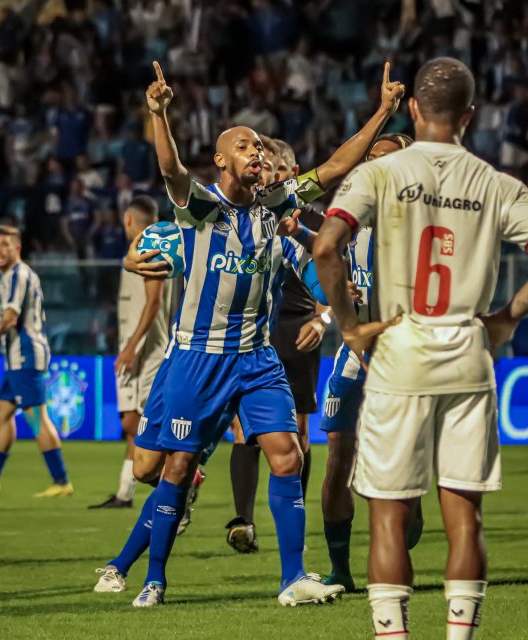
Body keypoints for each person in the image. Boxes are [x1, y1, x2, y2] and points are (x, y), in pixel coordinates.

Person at [118, 59, 403, 608]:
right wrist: (159, 115)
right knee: (153, 467)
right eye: (245, 146)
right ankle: (151, 570)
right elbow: (172, 170)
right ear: (223, 160)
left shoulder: (278, 205)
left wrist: (382, 112)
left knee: (289, 455)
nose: (257, 152)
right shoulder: (199, 208)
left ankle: (292, 577)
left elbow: (336, 165)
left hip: (256, 357)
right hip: (197, 358)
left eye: (259, 147)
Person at [314, 57, 528, 639]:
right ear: (470, 115)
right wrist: (506, 317)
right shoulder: (495, 181)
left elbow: (327, 247)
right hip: (466, 350)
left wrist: (353, 327)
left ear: (412, 110)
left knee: (389, 513)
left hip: (400, 353)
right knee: (464, 518)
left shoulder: (379, 173)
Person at [318, 132, 414, 594]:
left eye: (383, 160)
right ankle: (340, 569)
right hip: (354, 356)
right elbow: (326, 256)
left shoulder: (419, 226)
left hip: (404, 360)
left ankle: (406, 518)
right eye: (369, 159)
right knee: (337, 457)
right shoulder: (352, 222)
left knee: (404, 487)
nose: (371, 168)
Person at [225, 136, 328, 554]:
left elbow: (332, 273)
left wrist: (324, 319)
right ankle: (243, 521)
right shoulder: (249, 214)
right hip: (256, 329)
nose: (269, 177)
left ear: (290, 173)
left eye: (277, 172)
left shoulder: (311, 218)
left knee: (300, 430)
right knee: (242, 428)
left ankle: (292, 513)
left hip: (299, 327)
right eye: (266, 171)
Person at [0, 225, 73, 498]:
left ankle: (61, 481)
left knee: (37, 420)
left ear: (17, 248)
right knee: (3, 412)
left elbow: (9, 319)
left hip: (26, 356)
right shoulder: (9, 277)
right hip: (15, 359)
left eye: (5, 244)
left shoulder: (18, 275)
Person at [89, 197, 175, 509]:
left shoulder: (149, 248)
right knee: (132, 425)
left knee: (133, 423)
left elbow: (153, 304)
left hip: (148, 350)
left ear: (128, 219)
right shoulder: (145, 250)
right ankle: (125, 492)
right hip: (137, 346)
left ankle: (180, 479)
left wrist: (131, 345)